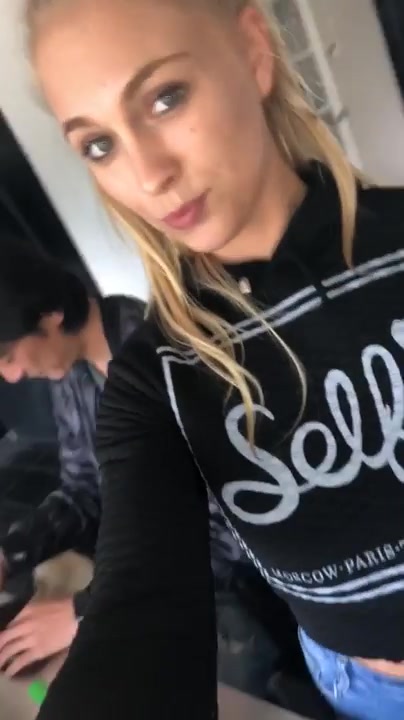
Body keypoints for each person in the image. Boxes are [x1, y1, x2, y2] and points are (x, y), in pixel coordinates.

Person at [23, 0, 404, 718]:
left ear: (254, 51)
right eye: (98, 144)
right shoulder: (156, 378)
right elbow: (142, 604)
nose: (149, 174)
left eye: (165, 98)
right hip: (368, 692)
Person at [0, 238, 145, 676]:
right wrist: (11, 551)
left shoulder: (159, 356)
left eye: (8, 356)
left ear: (51, 316)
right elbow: (82, 490)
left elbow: (220, 532)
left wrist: (86, 611)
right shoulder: (69, 368)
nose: (12, 377)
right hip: (133, 568)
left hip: (224, 585)